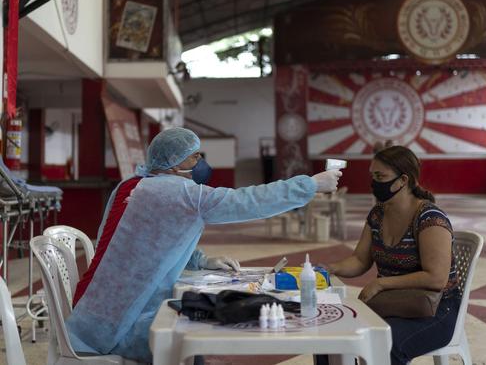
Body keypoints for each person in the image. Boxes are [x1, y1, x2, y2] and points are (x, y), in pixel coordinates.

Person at [65, 128, 342, 363]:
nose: (201, 161)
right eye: (194, 155)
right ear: (174, 163)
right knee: (192, 335)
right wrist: (310, 185)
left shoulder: (132, 185)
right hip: (115, 326)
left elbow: (144, 243)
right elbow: (247, 201)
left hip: (91, 311)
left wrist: (199, 260)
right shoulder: (179, 192)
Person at [321, 146, 459, 365]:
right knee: (331, 335)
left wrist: (382, 284)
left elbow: (436, 278)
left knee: (387, 343)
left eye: (380, 176)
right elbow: (359, 260)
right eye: (372, 176)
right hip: (392, 304)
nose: (374, 183)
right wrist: (331, 268)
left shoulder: (429, 217)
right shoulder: (378, 214)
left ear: (403, 180)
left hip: (435, 310)